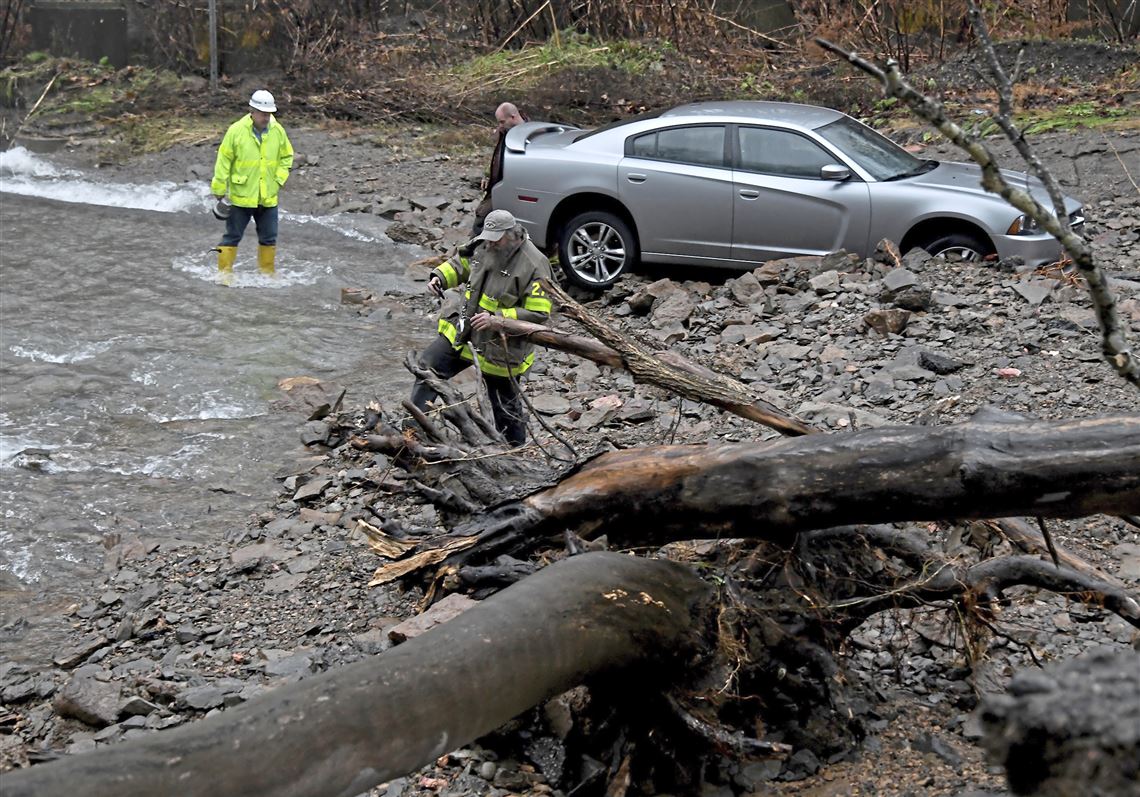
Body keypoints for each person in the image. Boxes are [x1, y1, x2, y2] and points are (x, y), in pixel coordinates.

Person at [411, 209, 553, 447]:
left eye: (496, 238)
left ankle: (513, 450)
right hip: (465, 332)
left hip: (501, 347)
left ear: (512, 234)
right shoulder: (485, 245)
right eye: (488, 237)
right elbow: (462, 263)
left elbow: (539, 313)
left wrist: (497, 319)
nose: (490, 242)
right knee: (428, 367)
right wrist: (439, 277)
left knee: (504, 404)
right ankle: (415, 428)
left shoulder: (535, 264)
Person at [211, 89, 294, 279]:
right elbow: (224, 160)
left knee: (269, 238)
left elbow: (287, 157)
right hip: (241, 197)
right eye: (263, 114)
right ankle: (224, 274)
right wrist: (219, 188)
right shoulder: (236, 131)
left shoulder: (277, 131)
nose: (267, 118)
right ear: (252, 111)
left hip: (268, 197)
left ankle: (267, 274)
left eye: (269, 114)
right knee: (232, 237)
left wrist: (279, 179)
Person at [471, 102, 527, 236]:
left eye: (502, 122)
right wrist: (487, 174)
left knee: (486, 217)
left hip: (515, 187)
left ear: (513, 117)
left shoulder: (527, 134)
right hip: (498, 183)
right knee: (482, 215)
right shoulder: (505, 131)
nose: (499, 126)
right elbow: (496, 155)